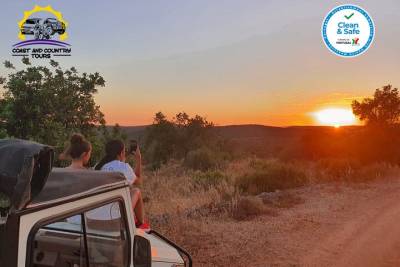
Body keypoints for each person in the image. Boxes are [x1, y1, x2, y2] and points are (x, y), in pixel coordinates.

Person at [95, 139, 148, 229]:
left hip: (97, 215)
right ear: (121, 153)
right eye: (124, 151)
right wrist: (138, 159)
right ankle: (140, 223)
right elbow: (138, 182)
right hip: (115, 217)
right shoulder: (123, 167)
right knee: (136, 191)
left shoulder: (98, 166)